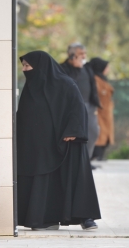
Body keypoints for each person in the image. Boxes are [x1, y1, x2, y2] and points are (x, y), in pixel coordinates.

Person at [17, 51, 101, 230]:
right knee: (42, 179)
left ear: (40, 66)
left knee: (74, 176)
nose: (24, 70)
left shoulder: (65, 83)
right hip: (40, 144)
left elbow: (78, 107)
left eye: (27, 66)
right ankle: (44, 219)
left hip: (66, 140)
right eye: (24, 66)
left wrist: (73, 130)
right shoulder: (30, 88)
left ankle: (84, 217)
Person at [61, 43, 101, 161]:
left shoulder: (87, 68)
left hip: (89, 105)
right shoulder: (63, 68)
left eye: (85, 53)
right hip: (72, 107)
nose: (83, 56)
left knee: (93, 132)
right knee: (74, 135)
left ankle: (86, 160)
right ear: (71, 55)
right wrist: (75, 66)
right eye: (80, 54)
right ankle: (73, 161)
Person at [87, 57, 115, 160]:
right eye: (106, 67)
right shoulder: (95, 79)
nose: (108, 69)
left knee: (104, 139)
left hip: (106, 114)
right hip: (98, 113)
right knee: (98, 137)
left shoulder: (102, 79)